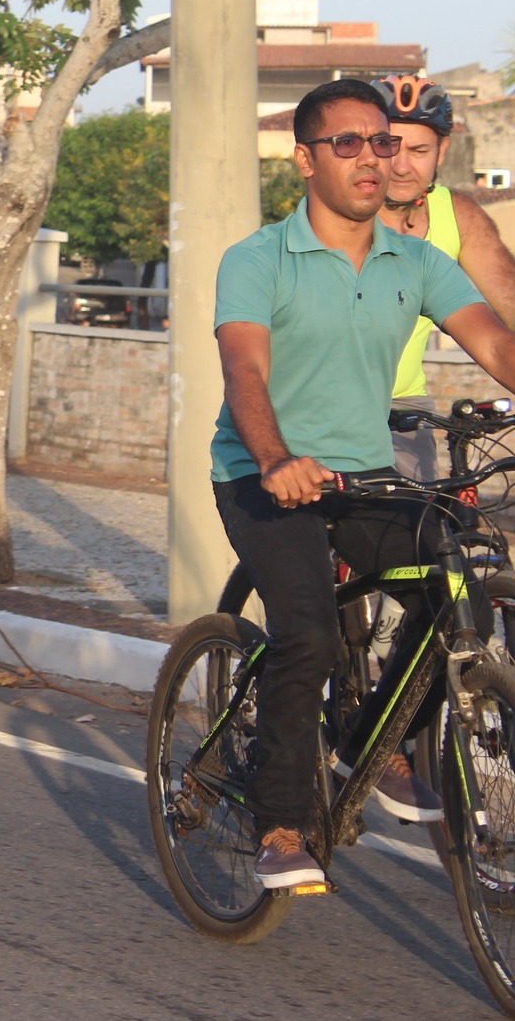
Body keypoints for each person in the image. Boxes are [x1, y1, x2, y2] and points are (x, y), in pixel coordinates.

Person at [211, 79, 515, 890]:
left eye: (383, 141)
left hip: (364, 476)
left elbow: (494, 339)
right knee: (307, 630)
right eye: (348, 143)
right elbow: (245, 369)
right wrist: (275, 456)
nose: (373, 158)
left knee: (452, 587)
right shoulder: (257, 259)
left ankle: (361, 742)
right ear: (306, 160)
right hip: (259, 475)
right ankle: (280, 821)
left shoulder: (417, 259)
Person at [371, 74, 515, 478]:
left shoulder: (458, 216)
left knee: (424, 532)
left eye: (419, 150)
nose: (401, 166)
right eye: (389, 147)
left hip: (405, 407)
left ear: (442, 150)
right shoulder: (339, 214)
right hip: (321, 407)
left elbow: (509, 304)